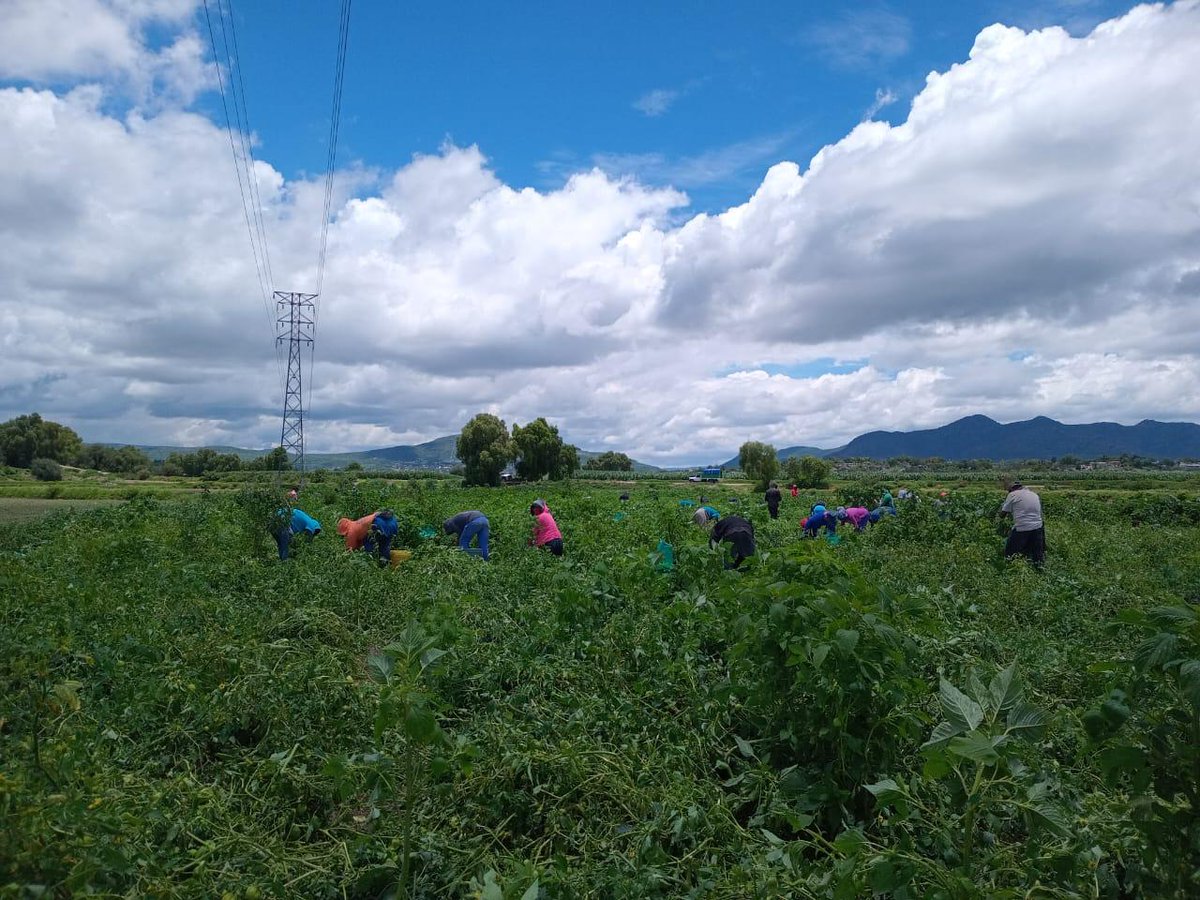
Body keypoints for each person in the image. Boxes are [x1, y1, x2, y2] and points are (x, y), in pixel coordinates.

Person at [1001, 481, 1045, 566]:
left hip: (1022, 528)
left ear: (1012, 489)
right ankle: (1039, 570)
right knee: (1037, 554)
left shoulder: (1012, 495)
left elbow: (1003, 514)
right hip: (1038, 526)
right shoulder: (1034, 494)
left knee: (1010, 552)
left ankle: (1010, 567)